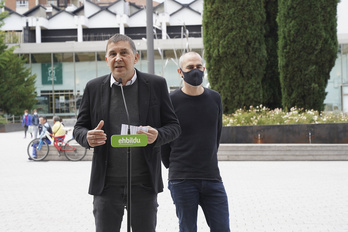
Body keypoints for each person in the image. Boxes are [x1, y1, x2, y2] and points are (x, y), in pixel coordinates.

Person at [73, 33, 181, 232]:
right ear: (106, 60)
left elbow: (174, 126)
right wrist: (87, 137)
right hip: (106, 185)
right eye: (112, 54)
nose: (118, 58)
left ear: (136, 57)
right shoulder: (94, 88)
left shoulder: (155, 85)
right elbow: (78, 128)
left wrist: (157, 135)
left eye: (124, 52)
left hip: (143, 184)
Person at [161, 52, 230, 232]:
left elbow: (217, 134)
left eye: (199, 67)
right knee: (187, 229)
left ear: (204, 69)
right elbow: (164, 140)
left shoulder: (215, 98)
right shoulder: (170, 101)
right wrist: (174, 166)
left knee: (223, 228)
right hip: (182, 179)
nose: (195, 71)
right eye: (190, 68)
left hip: (212, 177)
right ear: (180, 72)